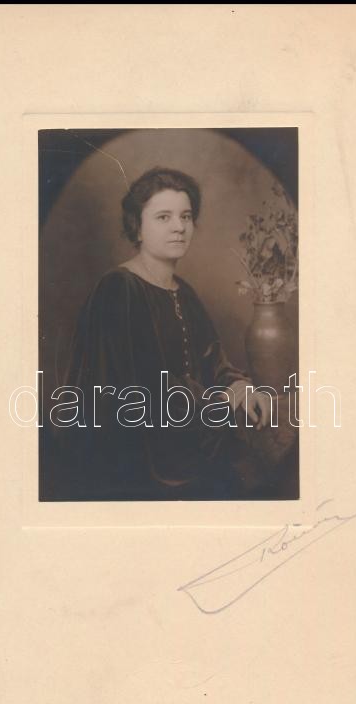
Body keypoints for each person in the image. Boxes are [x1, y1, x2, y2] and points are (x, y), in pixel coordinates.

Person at [63, 166, 275, 501]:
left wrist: (240, 387)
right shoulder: (118, 289)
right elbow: (139, 391)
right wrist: (220, 402)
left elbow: (213, 361)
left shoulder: (184, 292)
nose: (179, 227)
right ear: (138, 228)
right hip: (138, 457)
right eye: (164, 217)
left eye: (186, 216)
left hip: (192, 436)